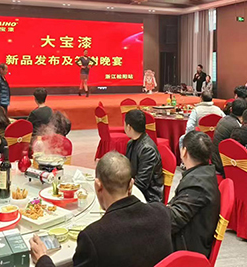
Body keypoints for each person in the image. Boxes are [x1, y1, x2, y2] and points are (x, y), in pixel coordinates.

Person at [29, 152, 172, 267]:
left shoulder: (93, 237)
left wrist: (42, 259)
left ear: (98, 186)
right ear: (131, 185)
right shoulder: (161, 213)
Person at [168, 131, 220, 257]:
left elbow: (173, 222)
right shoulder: (203, 173)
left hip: (187, 247)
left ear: (184, 152)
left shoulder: (197, 185)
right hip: (190, 236)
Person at [124, 110, 163, 203]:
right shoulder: (131, 143)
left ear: (128, 127)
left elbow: (141, 183)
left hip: (149, 197)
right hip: (134, 189)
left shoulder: (147, 149)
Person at [211, 99, 247, 174]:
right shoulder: (236, 126)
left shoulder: (224, 119)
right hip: (223, 164)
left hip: (215, 159)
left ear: (231, 109)